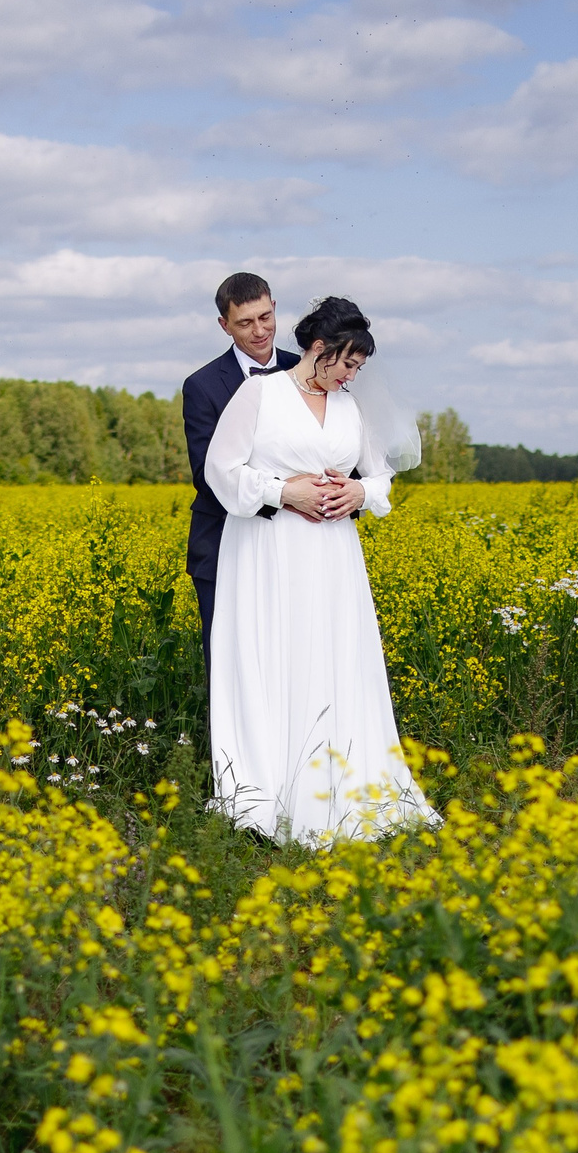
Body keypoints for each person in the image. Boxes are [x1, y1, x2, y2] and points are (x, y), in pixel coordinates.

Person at [202, 296, 436, 846]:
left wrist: (359, 490)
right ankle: (272, 790)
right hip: (268, 548)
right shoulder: (260, 393)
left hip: (333, 553)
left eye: (359, 369)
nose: (352, 376)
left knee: (332, 655)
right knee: (277, 653)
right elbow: (220, 469)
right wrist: (284, 493)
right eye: (347, 364)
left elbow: (379, 478)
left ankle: (344, 781)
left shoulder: (351, 407)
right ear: (318, 349)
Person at [181, 273, 297, 664]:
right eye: (245, 323)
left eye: (265, 317)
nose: (260, 331)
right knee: (231, 661)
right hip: (223, 544)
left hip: (298, 543)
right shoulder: (201, 385)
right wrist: (289, 496)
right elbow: (206, 474)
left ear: (275, 307)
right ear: (224, 325)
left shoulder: (307, 372)